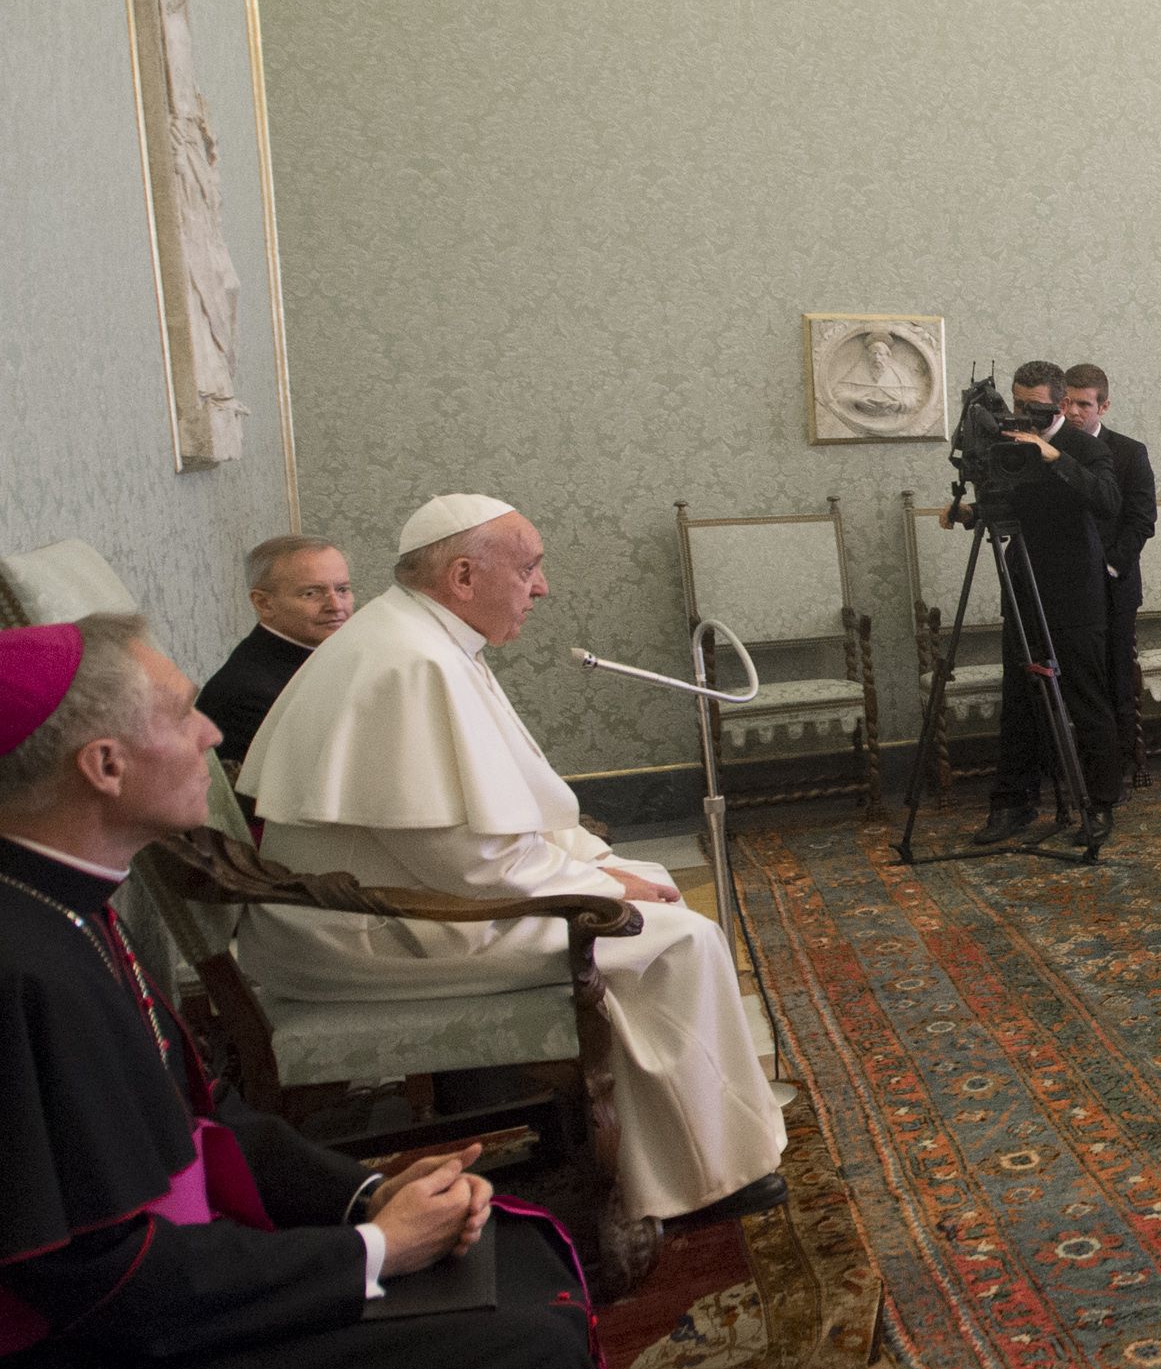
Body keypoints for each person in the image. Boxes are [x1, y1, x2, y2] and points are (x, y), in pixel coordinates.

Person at [0, 617, 764, 1369]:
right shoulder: (24, 962)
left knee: (517, 1274)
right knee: (513, 1348)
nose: (210, 733)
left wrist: (366, 1187)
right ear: (102, 766)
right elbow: (105, 1278)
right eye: (182, 715)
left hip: (161, 1319)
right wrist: (367, 1252)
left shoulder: (69, 906)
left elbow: (206, 1123)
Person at [236, 497, 789, 1226]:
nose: (542, 587)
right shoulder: (411, 660)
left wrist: (600, 870)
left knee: (652, 890)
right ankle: (694, 1177)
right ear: (464, 576)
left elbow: (490, 823)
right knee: (674, 940)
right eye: (529, 568)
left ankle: (678, 1145)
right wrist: (598, 887)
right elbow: (463, 858)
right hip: (371, 929)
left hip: (388, 897)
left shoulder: (419, 637)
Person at [945, 360, 1124, 842]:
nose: (1023, 415)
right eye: (1019, 404)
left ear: (1061, 404)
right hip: (1024, 585)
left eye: (1035, 407)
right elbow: (1009, 506)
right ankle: (1013, 804)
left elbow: (1108, 500)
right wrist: (970, 513)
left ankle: (1100, 806)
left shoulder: (1086, 447)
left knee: (1086, 701)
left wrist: (1053, 457)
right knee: (1020, 703)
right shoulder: (1008, 443)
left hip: (1076, 592)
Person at [1058, 365, 1156, 781]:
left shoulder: (1129, 452)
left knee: (1116, 678)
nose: (1074, 412)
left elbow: (1141, 520)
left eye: (1084, 404)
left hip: (1114, 586)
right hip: (1064, 588)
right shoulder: (1049, 449)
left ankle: (1118, 770)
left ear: (1104, 406)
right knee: (1073, 679)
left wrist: (1109, 567)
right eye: (1067, 403)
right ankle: (1071, 768)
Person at [199, 532, 355, 775]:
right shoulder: (247, 694)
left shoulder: (329, 656)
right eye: (311, 593)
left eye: (342, 589)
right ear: (264, 603)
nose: (336, 605)